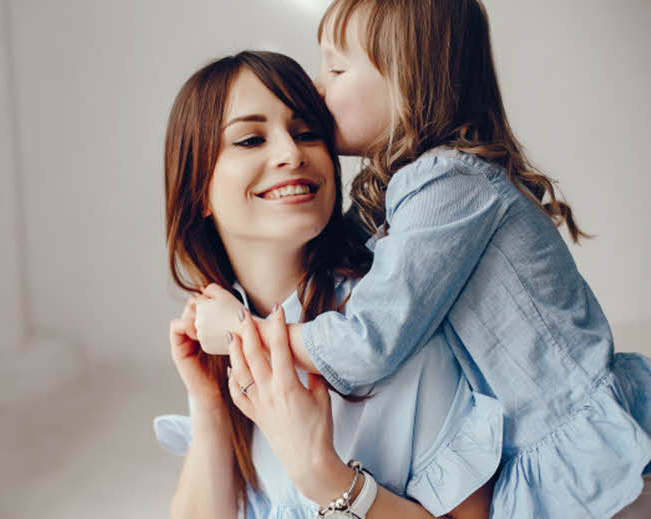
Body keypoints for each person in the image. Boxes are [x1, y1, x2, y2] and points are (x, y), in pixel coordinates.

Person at [193, 1, 651, 518]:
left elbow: (371, 343)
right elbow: (340, 245)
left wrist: (246, 331)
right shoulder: (407, 190)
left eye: (337, 69)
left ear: (409, 83)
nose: (317, 87)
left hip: (592, 467)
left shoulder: (444, 182)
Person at [154, 50, 503, 518]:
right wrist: (210, 404)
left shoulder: (394, 323)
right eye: (251, 139)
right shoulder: (226, 329)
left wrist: (321, 472)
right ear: (198, 189)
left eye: (306, 133)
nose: (291, 153)